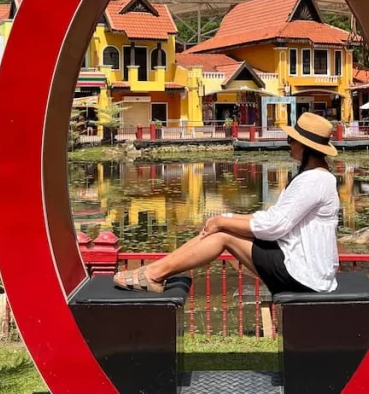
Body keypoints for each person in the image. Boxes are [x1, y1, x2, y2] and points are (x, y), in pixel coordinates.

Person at [113, 112, 341, 294]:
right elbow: (272, 218)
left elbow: (274, 226)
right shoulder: (316, 178)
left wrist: (224, 223)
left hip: (303, 274)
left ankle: (154, 274)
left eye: (292, 140)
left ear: (306, 147)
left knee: (223, 237)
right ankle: (155, 271)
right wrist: (223, 219)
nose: (289, 144)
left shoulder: (314, 180)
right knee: (219, 229)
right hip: (301, 267)